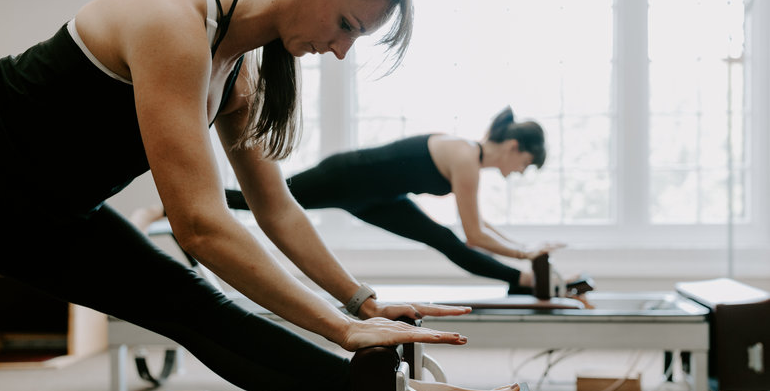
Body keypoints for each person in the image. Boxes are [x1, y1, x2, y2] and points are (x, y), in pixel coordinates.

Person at [0, 0, 518, 391]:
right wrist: (339, 328)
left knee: (193, 307)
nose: (342, 49)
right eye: (347, 24)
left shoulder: (239, 76)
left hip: (42, 210)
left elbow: (277, 210)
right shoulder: (171, 19)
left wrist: (359, 301)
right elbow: (200, 224)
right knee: (196, 297)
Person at [224, 107, 564, 294]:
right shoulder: (464, 156)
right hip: (346, 177)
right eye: (526, 164)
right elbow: (475, 235)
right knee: (252, 200)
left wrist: (526, 250)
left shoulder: (468, 160)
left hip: (379, 198)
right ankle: (172, 198)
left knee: (442, 239)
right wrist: (525, 253)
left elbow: (477, 225)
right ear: (515, 148)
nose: (521, 172)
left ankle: (522, 281)